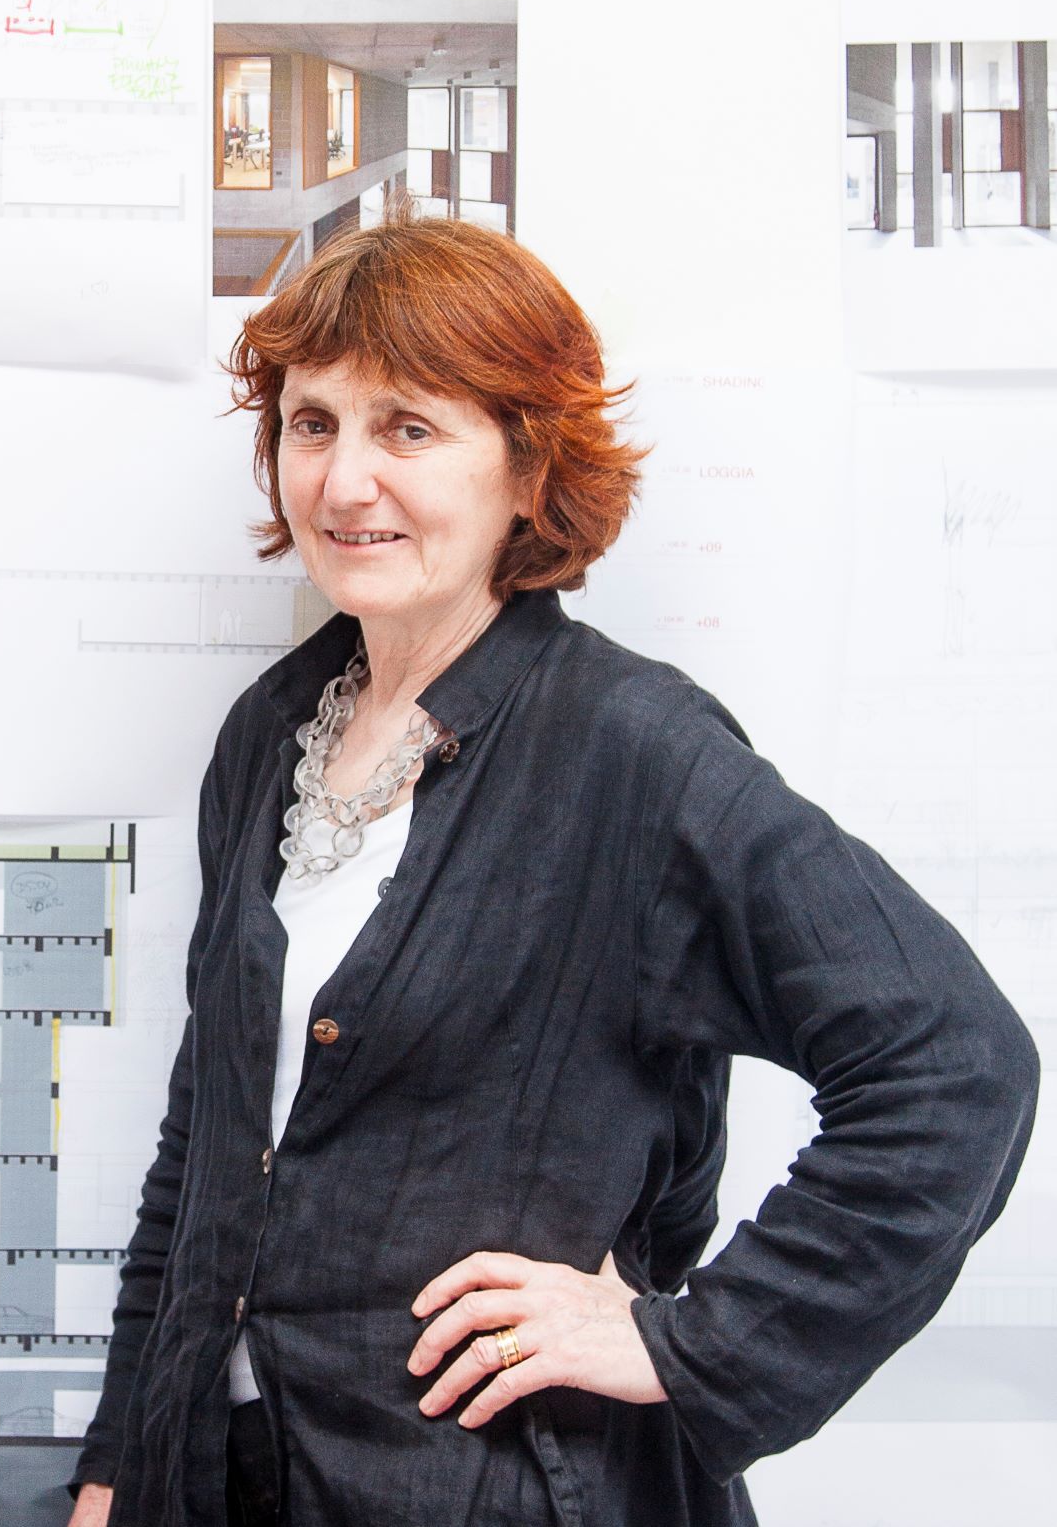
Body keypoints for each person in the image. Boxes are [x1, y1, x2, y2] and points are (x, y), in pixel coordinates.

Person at [67, 216, 1037, 1526]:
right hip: (228, 1482)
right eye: (312, 425)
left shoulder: (632, 749)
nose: (344, 481)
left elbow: (952, 1069)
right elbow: (202, 1151)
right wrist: (119, 1470)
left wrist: (685, 1342)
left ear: (528, 468)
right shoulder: (267, 735)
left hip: (508, 1492)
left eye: (408, 429)